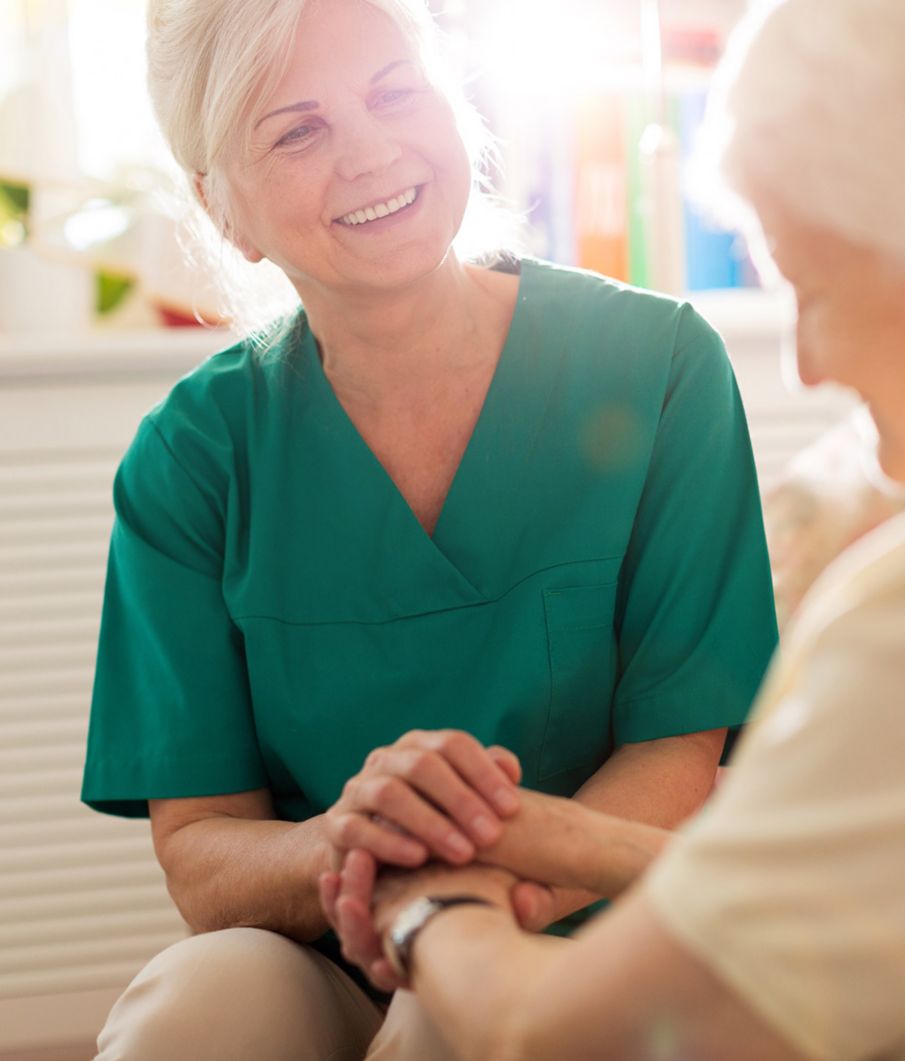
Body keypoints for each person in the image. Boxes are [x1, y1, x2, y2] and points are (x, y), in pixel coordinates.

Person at [325, 0, 905, 1057]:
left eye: (815, 287)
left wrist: (432, 903)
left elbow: (563, 1032)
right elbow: (867, 871)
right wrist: (550, 832)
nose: (806, 365)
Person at [80, 0, 778, 1056]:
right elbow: (201, 849)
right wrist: (351, 846)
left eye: (394, 90)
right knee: (193, 1012)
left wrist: (465, 901)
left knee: (448, 1012)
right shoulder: (191, 456)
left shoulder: (660, 365)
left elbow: (679, 750)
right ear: (221, 206)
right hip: (329, 937)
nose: (369, 153)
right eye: (296, 129)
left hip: (590, 922)